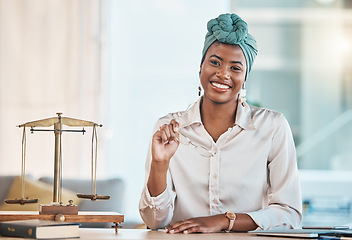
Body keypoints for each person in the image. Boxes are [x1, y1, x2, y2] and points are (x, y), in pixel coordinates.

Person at [139, 13, 302, 234]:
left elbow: (289, 214)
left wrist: (225, 220)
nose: (223, 73)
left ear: (245, 78)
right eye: (214, 62)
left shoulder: (272, 127)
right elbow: (155, 221)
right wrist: (160, 163)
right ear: (200, 68)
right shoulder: (169, 128)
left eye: (235, 68)